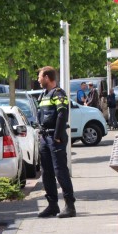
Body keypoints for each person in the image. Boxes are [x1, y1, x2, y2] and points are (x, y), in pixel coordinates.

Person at [36, 66, 76, 218]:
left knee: (60, 171)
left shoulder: (59, 93)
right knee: (46, 173)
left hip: (55, 137)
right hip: (45, 138)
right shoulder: (43, 95)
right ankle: (52, 205)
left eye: (39, 76)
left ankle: (70, 205)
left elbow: (62, 114)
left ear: (47, 77)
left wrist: (58, 136)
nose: (38, 80)